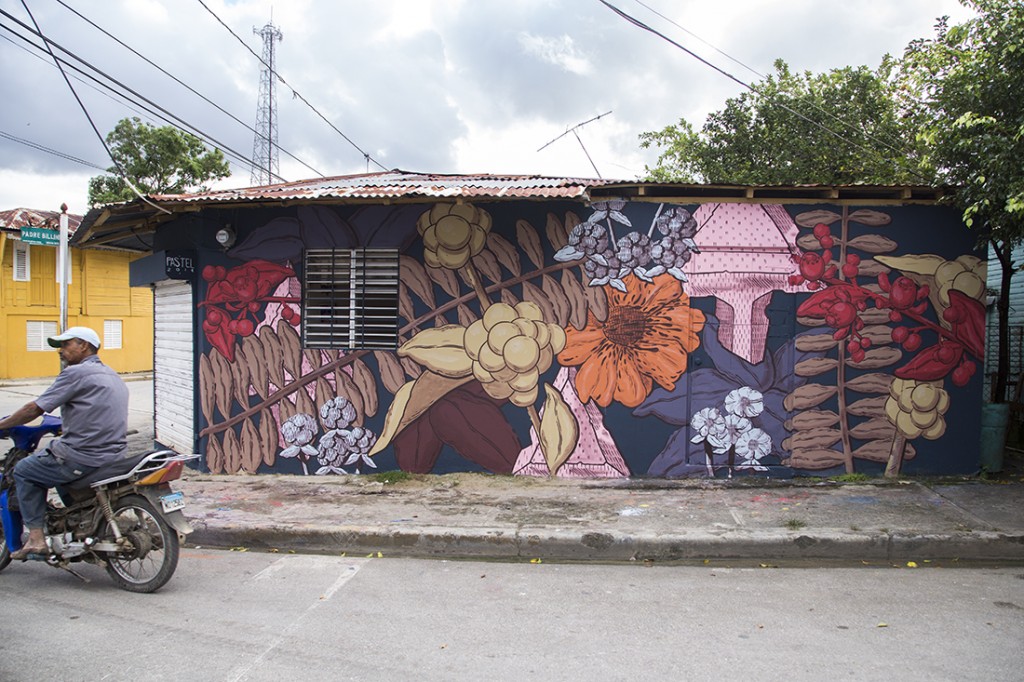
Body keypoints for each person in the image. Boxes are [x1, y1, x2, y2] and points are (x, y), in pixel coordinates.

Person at [0, 327, 129, 560]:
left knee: (25, 470)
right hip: (114, 455)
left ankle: (36, 539)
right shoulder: (111, 374)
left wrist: (4, 424)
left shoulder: (76, 373)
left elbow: (34, 409)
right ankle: (79, 526)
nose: (60, 351)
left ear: (84, 346)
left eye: (66, 345)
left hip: (83, 457)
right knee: (55, 464)